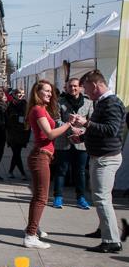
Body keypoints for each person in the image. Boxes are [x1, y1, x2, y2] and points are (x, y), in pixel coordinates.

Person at [70, 70, 125, 253]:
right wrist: (83, 137)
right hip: (100, 155)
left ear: (95, 85)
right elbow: (99, 129)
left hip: (106, 158)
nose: (85, 92)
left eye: (85, 88)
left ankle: (111, 240)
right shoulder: (101, 102)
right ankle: (104, 229)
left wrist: (86, 124)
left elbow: (111, 129)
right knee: (100, 196)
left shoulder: (112, 103)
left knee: (102, 198)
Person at [23, 79, 73, 249]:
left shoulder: (43, 109)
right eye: (46, 91)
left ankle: (33, 229)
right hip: (40, 156)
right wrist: (68, 125)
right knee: (41, 197)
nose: (50, 94)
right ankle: (30, 235)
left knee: (38, 196)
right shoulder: (37, 110)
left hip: (44, 155)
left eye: (51, 91)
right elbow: (50, 134)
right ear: (37, 92)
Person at [52, 78, 93, 210]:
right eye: (70, 86)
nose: (73, 88)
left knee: (80, 171)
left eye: (75, 86)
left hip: (81, 142)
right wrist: (69, 127)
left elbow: (91, 120)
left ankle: (81, 197)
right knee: (61, 170)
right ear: (66, 88)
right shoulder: (60, 102)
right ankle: (58, 197)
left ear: (80, 87)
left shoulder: (88, 102)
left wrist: (82, 130)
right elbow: (55, 120)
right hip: (63, 142)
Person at [5, 88, 30, 180]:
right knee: (16, 153)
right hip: (12, 133)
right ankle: (22, 173)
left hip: (22, 133)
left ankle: (11, 171)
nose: (21, 95)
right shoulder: (9, 105)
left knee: (17, 153)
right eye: (19, 93)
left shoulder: (25, 104)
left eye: (22, 93)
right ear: (14, 94)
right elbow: (6, 118)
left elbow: (28, 119)